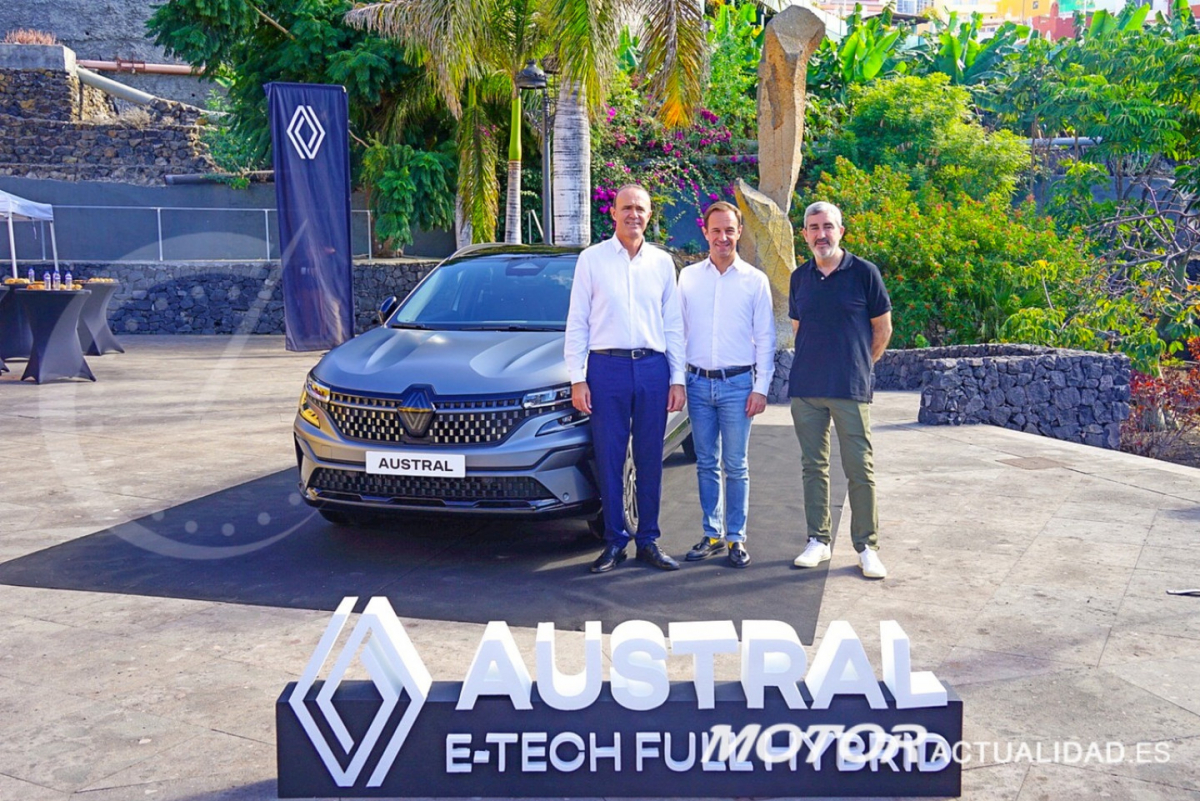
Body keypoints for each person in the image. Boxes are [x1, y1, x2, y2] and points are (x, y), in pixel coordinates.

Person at [565, 184, 687, 574]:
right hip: (606, 369)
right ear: (613, 213)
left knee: (650, 458)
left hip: (653, 368)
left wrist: (678, 378)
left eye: (640, 208)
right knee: (610, 458)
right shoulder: (591, 259)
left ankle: (648, 539)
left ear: (649, 215)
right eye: (627, 207)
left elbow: (673, 324)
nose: (634, 214)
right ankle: (615, 541)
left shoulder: (662, 262)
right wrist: (577, 378)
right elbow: (577, 321)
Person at [789, 201, 893, 579]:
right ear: (805, 234)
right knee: (813, 467)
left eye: (828, 226)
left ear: (841, 231)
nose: (822, 234)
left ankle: (866, 547)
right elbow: (800, 330)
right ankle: (818, 540)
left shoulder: (865, 273)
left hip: (850, 388)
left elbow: (882, 329)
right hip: (807, 389)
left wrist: (859, 366)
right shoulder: (799, 278)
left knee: (859, 468)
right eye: (814, 228)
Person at [677, 201, 775, 568]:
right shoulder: (688, 278)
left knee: (736, 465)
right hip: (697, 384)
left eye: (729, 230)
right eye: (715, 230)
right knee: (706, 463)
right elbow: (678, 333)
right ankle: (712, 533)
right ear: (705, 232)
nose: (722, 237)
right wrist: (678, 381)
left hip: (738, 386)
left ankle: (736, 537)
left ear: (739, 232)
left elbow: (765, 338)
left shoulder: (755, 281)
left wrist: (761, 387)